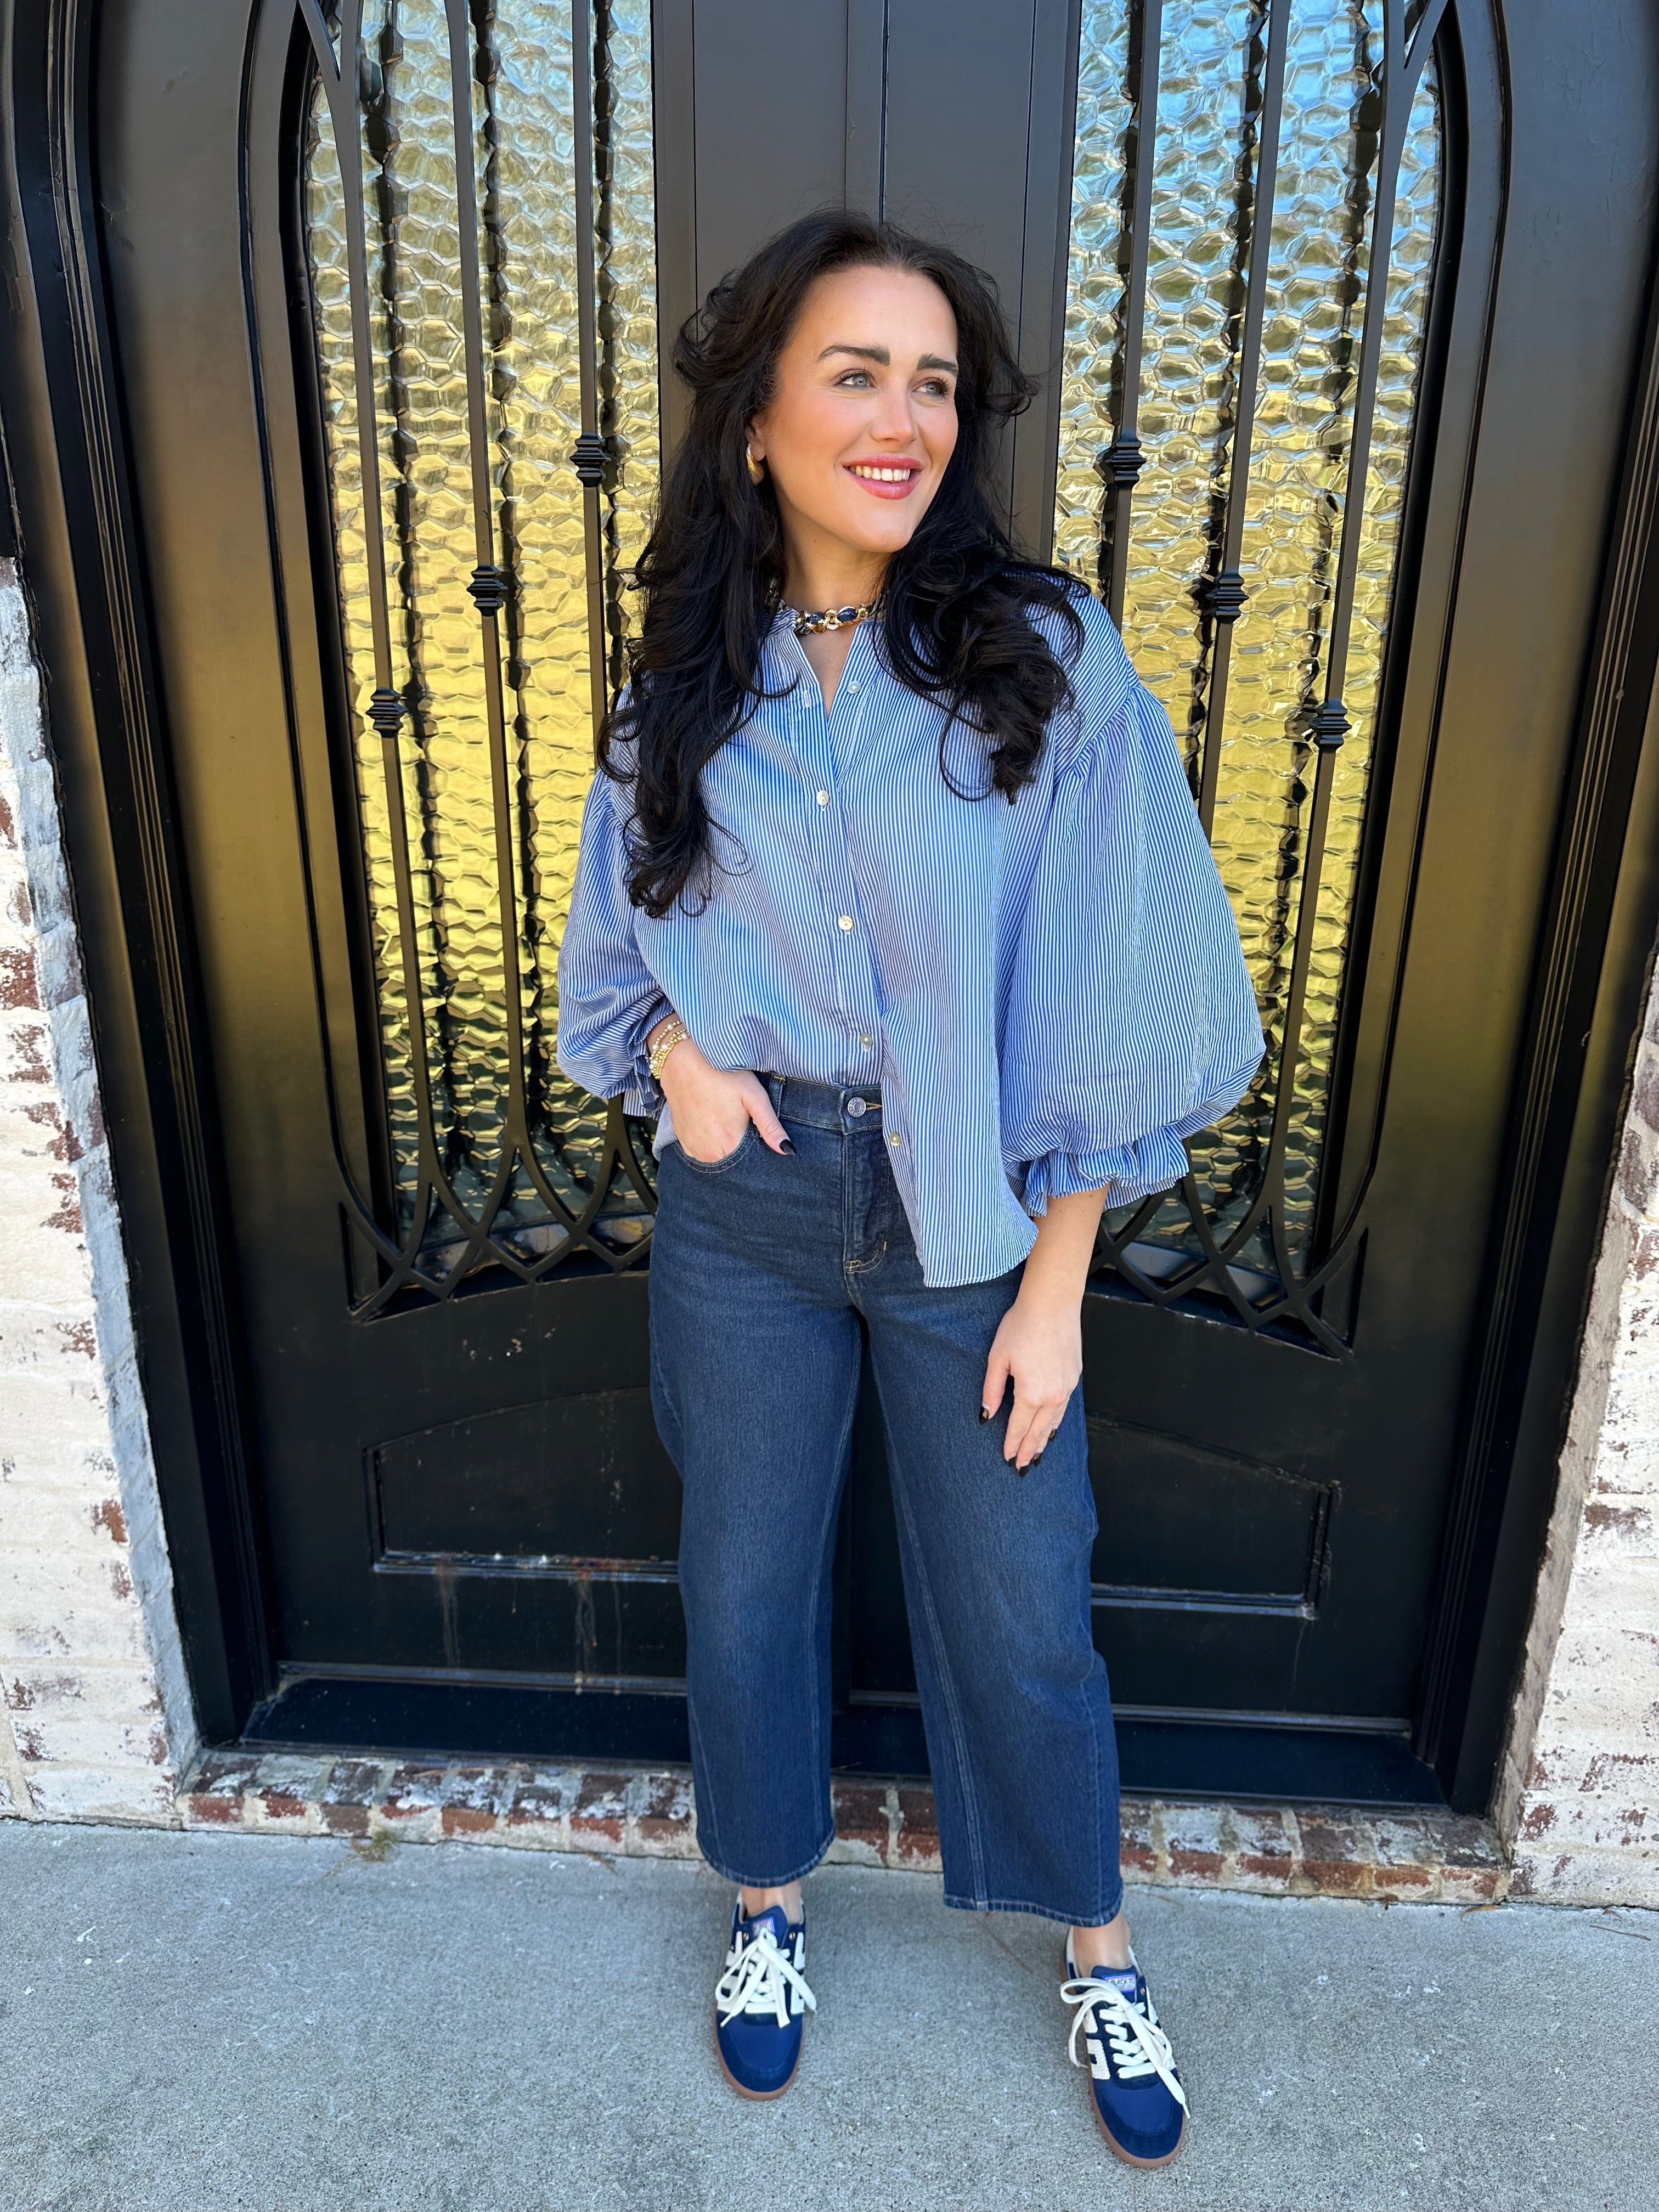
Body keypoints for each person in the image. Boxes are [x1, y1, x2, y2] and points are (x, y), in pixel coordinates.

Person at [555, 209, 1263, 2169]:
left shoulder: (1046, 662)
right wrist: (683, 1069)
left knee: (1024, 1608)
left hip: (974, 1214)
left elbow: (1116, 997)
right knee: (745, 1588)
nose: (903, 418)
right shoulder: (684, 684)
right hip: (751, 1214)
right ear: (757, 419)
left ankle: (1098, 1945)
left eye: (934, 382)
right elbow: (613, 964)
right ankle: (770, 1905)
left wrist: (1059, 1285)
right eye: (855, 373)